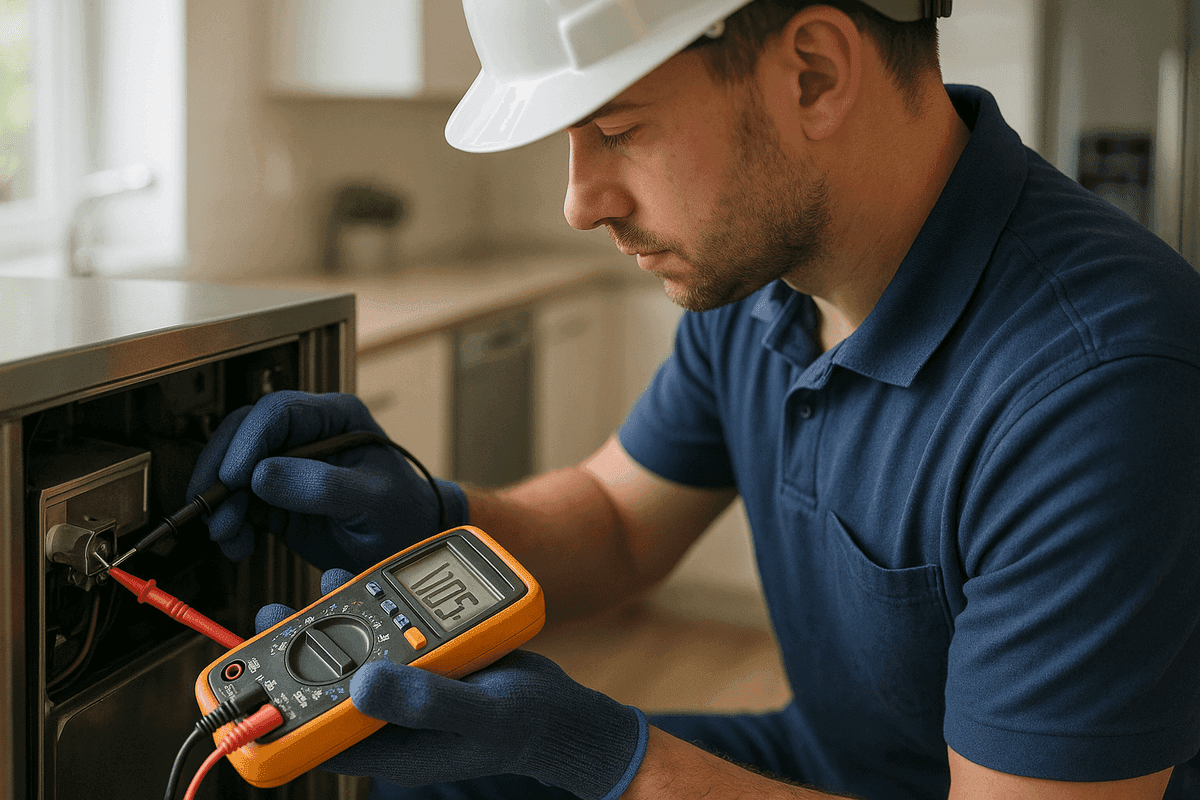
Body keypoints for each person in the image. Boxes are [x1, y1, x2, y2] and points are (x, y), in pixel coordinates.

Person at [189, 0, 1200, 798]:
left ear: (813, 73)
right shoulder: (765, 280)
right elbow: (621, 520)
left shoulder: (1098, 389)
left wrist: (596, 750)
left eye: (619, 130)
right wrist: (436, 518)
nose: (581, 202)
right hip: (827, 764)